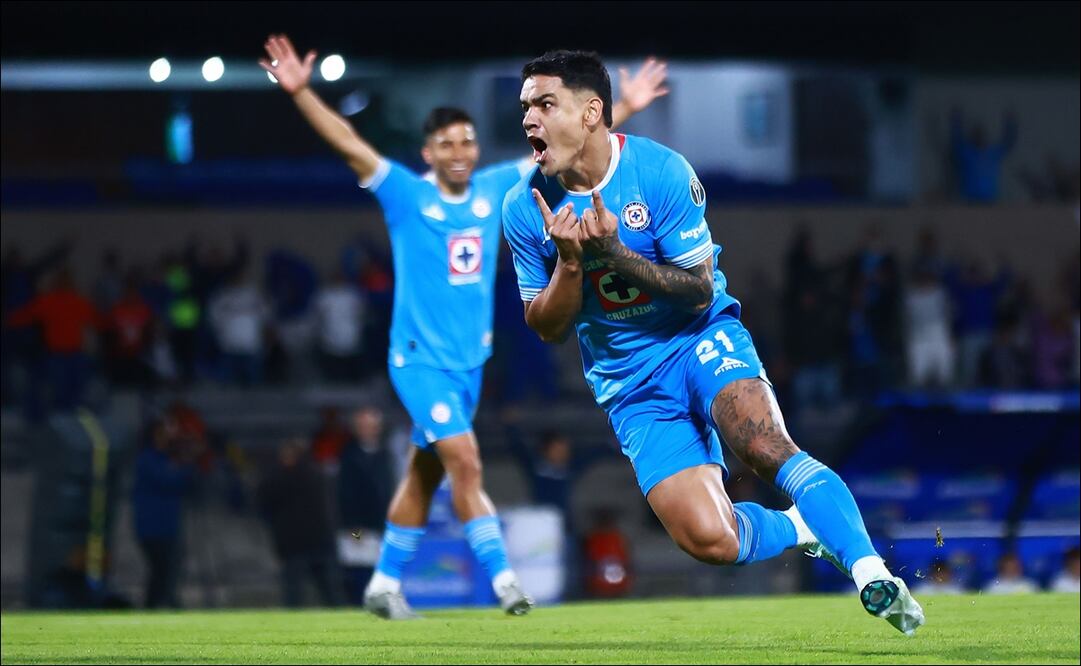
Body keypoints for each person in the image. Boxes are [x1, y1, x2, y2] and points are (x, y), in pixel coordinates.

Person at [502, 50, 924, 635]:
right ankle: (805, 529)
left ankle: (871, 572)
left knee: (763, 447)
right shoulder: (525, 206)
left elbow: (698, 292)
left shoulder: (661, 173)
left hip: (698, 338)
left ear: (592, 112)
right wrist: (571, 265)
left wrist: (615, 254)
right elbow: (546, 327)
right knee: (709, 540)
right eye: (525, 106)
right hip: (629, 383)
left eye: (545, 104)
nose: (529, 120)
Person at [261, 34, 668, 619]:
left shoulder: (495, 188)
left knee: (425, 475)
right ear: (427, 153)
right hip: (418, 360)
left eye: (468, 142)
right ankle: (506, 583)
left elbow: (566, 138)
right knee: (467, 462)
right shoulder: (404, 194)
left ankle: (382, 585)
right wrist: (302, 92)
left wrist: (623, 105)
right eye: (447, 144)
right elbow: (347, 141)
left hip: (468, 366)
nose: (460, 152)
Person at [258, 438, 342, 608]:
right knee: (320, 585)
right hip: (310, 541)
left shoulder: (279, 478)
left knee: (304, 586)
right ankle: (334, 609)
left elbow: (263, 503)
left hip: (297, 542)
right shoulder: (316, 475)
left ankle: (328, 609)